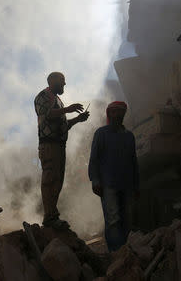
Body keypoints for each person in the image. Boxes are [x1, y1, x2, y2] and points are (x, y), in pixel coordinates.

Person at [34, 71, 90, 229]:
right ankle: (49, 217)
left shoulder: (57, 100)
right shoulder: (43, 96)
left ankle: (52, 215)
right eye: (62, 80)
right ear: (52, 81)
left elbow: (63, 125)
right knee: (50, 179)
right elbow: (46, 115)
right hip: (49, 145)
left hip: (58, 145)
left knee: (57, 181)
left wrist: (78, 119)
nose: (64, 83)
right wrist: (68, 110)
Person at [88, 101, 139, 252]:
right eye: (115, 112)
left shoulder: (129, 136)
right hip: (108, 184)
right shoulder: (101, 133)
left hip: (126, 184)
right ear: (109, 114)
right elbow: (94, 159)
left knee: (126, 219)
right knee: (113, 220)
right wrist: (95, 180)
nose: (118, 115)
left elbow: (133, 162)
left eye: (121, 112)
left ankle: (125, 251)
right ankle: (116, 253)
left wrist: (136, 185)